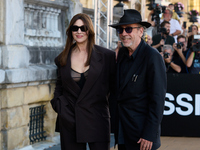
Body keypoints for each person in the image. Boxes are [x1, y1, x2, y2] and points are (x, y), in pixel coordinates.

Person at [50, 13, 116, 150]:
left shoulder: (106, 56)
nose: (79, 31)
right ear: (70, 32)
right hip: (69, 119)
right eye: (75, 28)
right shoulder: (62, 58)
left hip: (97, 119)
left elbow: (114, 88)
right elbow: (60, 86)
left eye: (83, 28)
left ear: (89, 30)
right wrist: (59, 106)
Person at [109, 9, 167, 150]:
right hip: (123, 130)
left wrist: (150, 134)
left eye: (129, 29)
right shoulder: (122, 53)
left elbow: (158, 99)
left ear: (141, 31)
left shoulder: (152, 57)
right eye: (120, 30)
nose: (124, 34)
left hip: (143, 136)